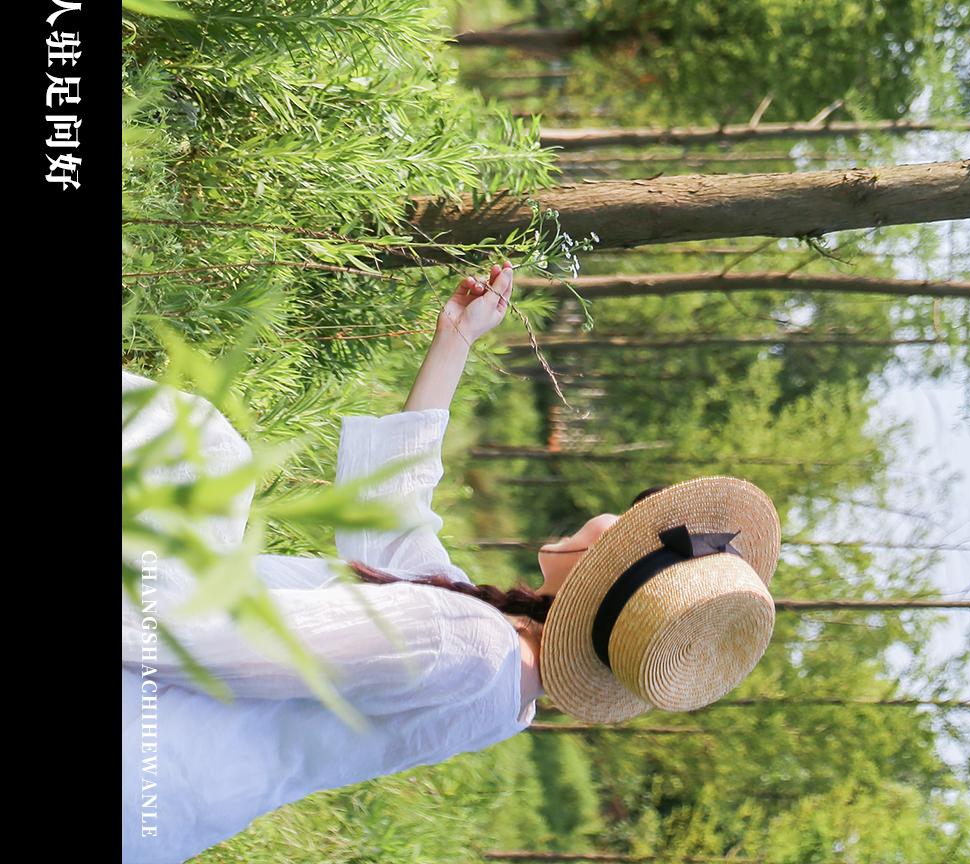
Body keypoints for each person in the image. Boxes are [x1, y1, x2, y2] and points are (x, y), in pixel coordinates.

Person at [122, 261, 781, 863]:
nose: (608, 514)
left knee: (202, 452)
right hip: (165, 789)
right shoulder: (500, 671)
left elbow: (213, 640)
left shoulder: (470, 647)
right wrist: (456, 340)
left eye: (629, 518)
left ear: (607, 569)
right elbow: (393, 524)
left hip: (146, 737)